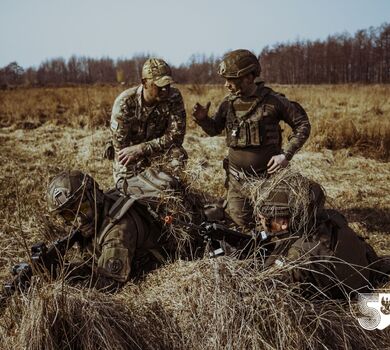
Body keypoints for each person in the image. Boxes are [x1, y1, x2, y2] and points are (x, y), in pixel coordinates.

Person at [192, 49, 311, 230]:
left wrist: (285, 155)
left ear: (248, 77)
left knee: (273, 229)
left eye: (231, 79)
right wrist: (203, 119)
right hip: (236, 181)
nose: (226, 84)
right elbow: (214, 130)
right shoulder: (228, 103)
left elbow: (302, 124)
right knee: (241, 229)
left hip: (268, 180)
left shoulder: (273, 101)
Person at [46, 169, 191, 289]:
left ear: (94, 196)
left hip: (158, 257)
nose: (79, 219)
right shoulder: (100, 209)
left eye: (83, 208)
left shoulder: (117, 231)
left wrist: (66, 283)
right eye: (69, 215)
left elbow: (109, 283)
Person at [256, 181, 389, 299]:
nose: (260, 222)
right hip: (366, 266)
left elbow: (268, 288)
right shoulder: (324, 217)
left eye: (263, 219)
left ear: (284, 222)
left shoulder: (299, 256)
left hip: (352, 290)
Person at [105, 58, 188, 189]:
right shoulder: (125, 103)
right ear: (144, 82)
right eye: (159, 85)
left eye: (167, 85)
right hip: (130, 154)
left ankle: (172, 193)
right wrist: (138, 158)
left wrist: (142, 149)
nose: (165, 90)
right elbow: (121, 149)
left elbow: (176, 137)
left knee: (178, 155)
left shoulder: (174, 97)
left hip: (156, 151)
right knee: (127, 189)